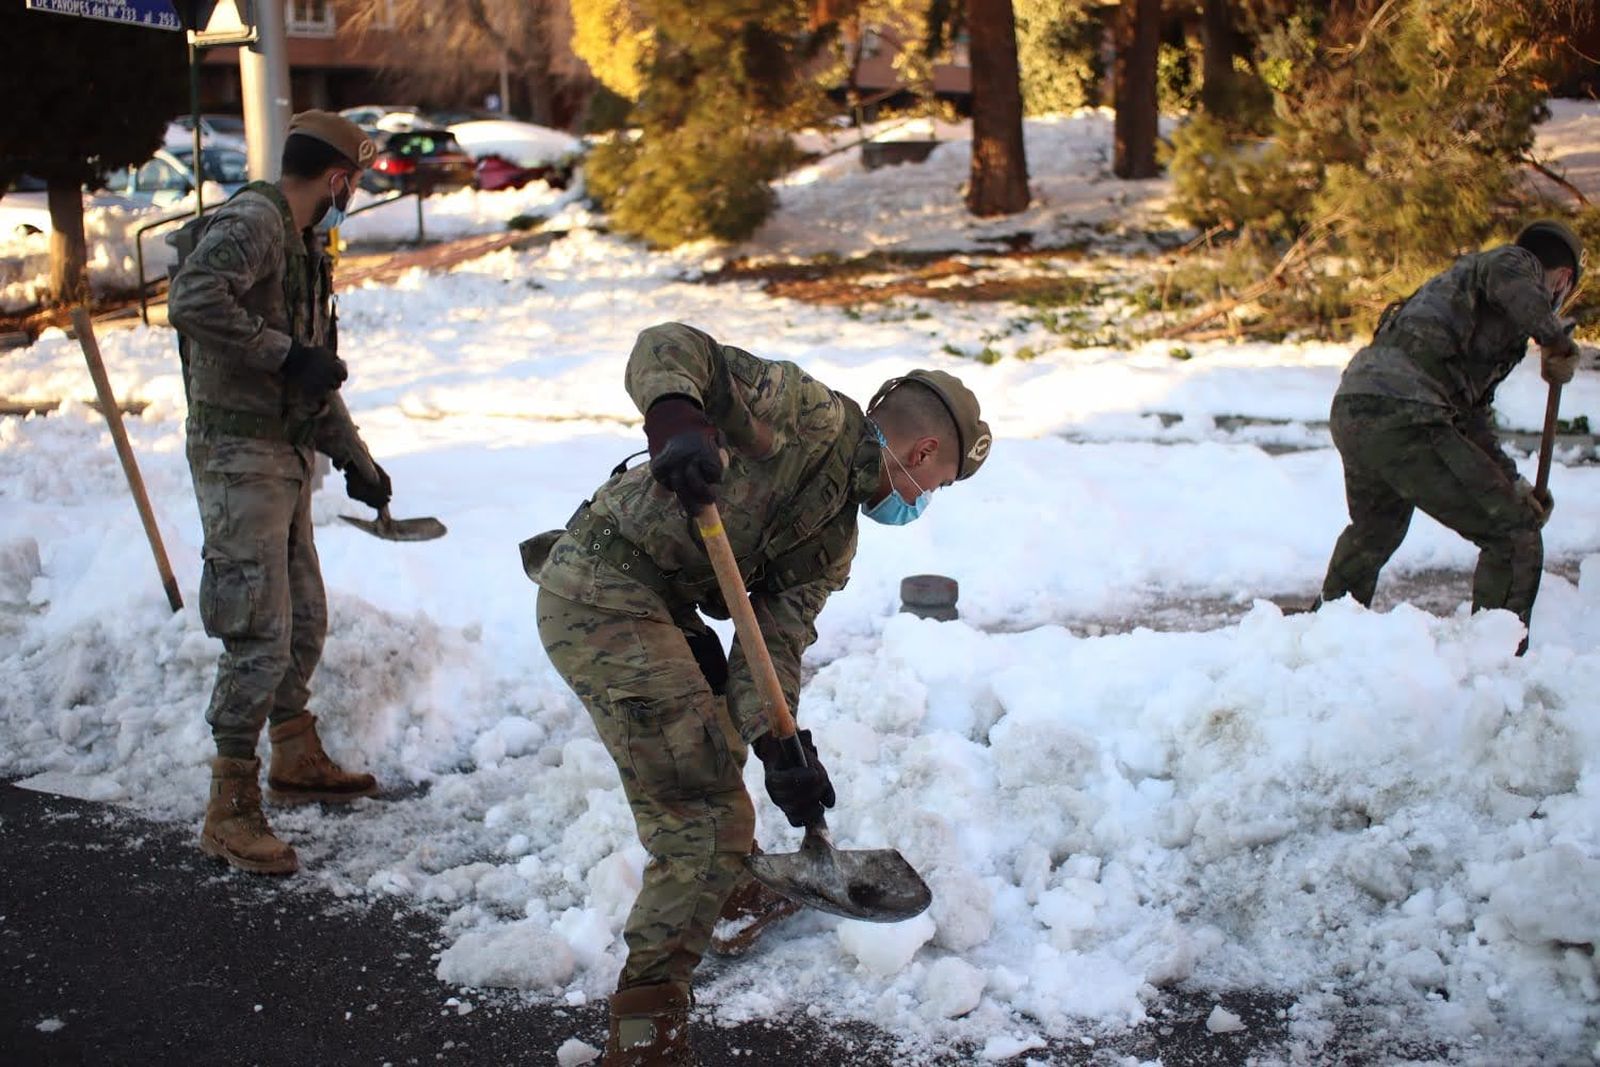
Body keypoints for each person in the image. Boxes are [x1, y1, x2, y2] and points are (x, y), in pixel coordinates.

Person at [529, 322, 991, 1064]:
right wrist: (676, 417)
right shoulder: (808, 416)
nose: (922, 500)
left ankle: (719, 894)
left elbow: (769, 646)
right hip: (602, 589)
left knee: (723, 736)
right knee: (705, 819)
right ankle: (645, 1035)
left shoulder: (832, 541)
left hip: (658, 606)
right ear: (924, 454)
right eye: (933, 487)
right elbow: (670, 345)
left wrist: (784, 747)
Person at [168, 111, 392, 876]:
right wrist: (284, 354)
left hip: (285, 454)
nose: (351, 193)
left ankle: (295, 753)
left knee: (304, 618)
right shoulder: (256, 222)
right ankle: (229, 807)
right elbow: (195, 298)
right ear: (336, 177)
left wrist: (357, 458)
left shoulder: (301, 246)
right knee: (258, 627)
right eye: (353, 181)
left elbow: (311, 366)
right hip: (238, 455)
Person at [1318, 219, 1585, 650]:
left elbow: (1470, 417)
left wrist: (1512, 484)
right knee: (1514, 536)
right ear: (1562, 278)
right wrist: (1554, 338)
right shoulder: (1512, 262)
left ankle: (1320, 639)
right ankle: (1496, 665)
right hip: (1407, 411)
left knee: (1374, 532)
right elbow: (1514, 283)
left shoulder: (1475, 309)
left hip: (1359, 406)